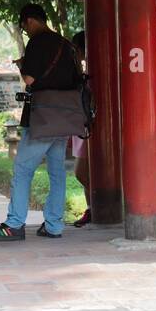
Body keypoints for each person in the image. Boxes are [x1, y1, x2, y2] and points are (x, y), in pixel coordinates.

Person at [0, 3, 82, 241]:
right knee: (57, 172)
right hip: (64, 118)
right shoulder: (66, 44)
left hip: (43, 117)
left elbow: (29, 79)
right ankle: (53, 225)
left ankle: (15, 223)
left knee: (22, 169)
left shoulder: (37, 42)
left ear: (29, 21)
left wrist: (22, 66)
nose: (25, 31)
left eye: (24, 27)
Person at [68, 31, 93, 228]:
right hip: (82, 126)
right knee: (84, 172)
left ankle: (96, 206)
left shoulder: (90, 74)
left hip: (89, 127)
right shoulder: (81, 73)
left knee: (81, 172)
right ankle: (92, 208)